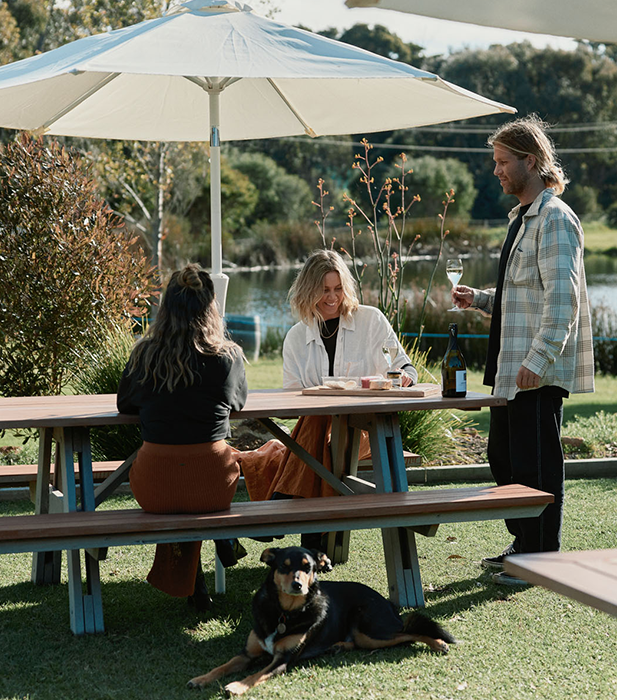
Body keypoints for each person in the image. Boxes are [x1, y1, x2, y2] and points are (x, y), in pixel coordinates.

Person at [451, 115, 595, 586]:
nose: (496, 171)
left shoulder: (554, 219)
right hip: (511, 369)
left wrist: (538, 360)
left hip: (534, 371)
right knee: (504, 459)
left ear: (530, 161)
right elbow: (524, 298)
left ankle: (540, 557)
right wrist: (480, 301)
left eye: (503, 161)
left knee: (536, 465)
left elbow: (562, 300)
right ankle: (523, 544)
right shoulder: (522, 219)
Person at [239, 249, 417, 548]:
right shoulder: (297, 337)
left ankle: (279, 503)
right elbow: (292, 401)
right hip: (319, 434)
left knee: (319, 425)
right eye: (324, 290)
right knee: (318, 419)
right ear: (308, 291)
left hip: (363, 432)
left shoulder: (370, 320)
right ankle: (312, 543)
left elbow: (403, 365)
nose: (332, 298)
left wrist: (404, 375)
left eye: (338, 289)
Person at [117, 264, 248, 610]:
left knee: (177, 468)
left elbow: (124, 403)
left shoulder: (144, 355)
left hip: (155, 487)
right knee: (202, 466)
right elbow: (239, 402)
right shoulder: (227, 357)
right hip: (213, 485)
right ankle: (221, 541)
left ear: (166, 307)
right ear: (210, 306)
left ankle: (193, 579)